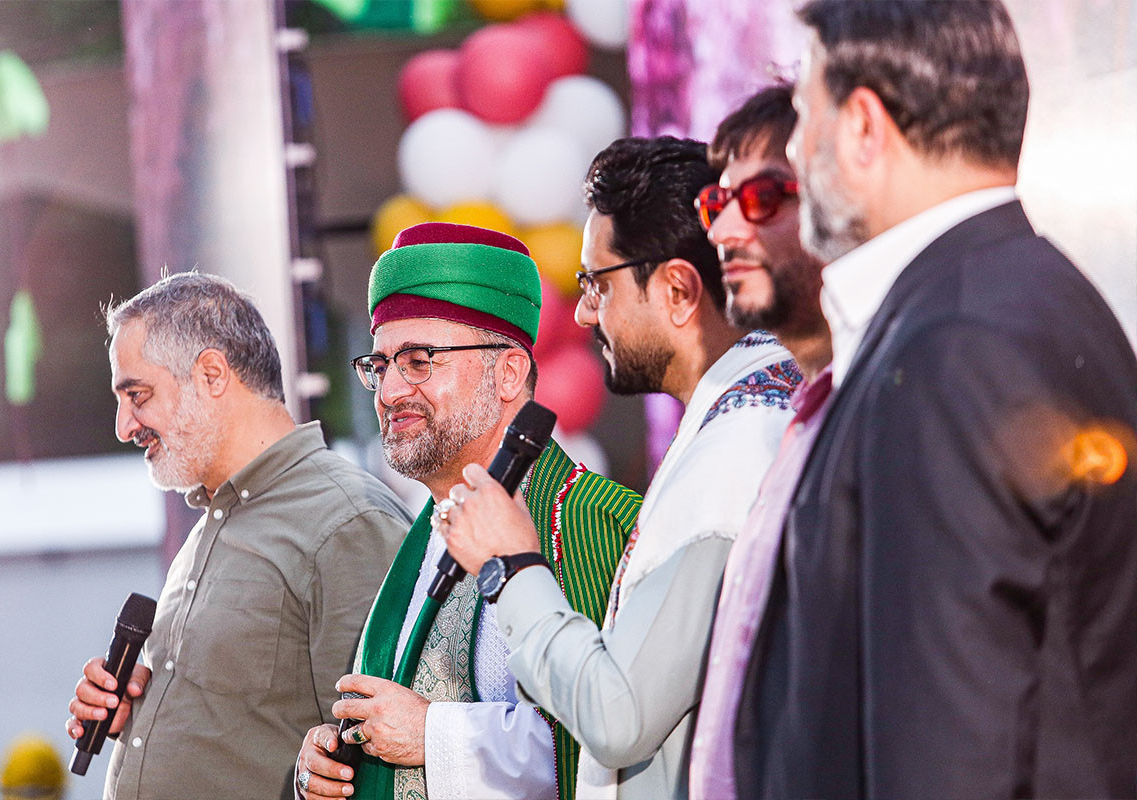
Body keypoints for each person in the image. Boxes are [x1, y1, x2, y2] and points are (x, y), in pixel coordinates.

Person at [736, 2, 1137, 798]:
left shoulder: (956, 345)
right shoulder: (1013, 297)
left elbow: (949, 747)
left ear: (862, 126)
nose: (794, 150)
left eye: (805, 114)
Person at [437, 137, 800, 799]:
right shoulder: (755, 412)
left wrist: (513, 565)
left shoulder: (738, 448)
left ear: (679, 290)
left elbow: (619, 715)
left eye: (597, 285)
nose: (583, 313)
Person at [293, 222, 642, 800]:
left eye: (419, 360)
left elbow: (610, 747)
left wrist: (432, 735)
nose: (389, 392)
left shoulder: (591, 522)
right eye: (380, 365)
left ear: (508, 373)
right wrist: (333, 762)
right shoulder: (426, 533)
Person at [64, 272, 411, 800]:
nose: (123, 426)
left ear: (211, 374)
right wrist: (144, 712)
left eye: (137, 394)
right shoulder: (213, 521)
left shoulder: (349, 522)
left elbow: (381, 761)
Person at [685, 83, 834, 800]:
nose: (723, 230)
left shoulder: (906, 387)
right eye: (717, 203)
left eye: (765, 197)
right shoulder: (804, 409)